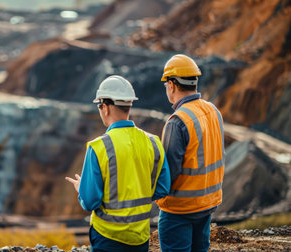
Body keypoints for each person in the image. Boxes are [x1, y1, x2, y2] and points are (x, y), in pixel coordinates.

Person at [65, 75, 171, 252]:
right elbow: (162, 189)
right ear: (129, 104)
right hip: (140, 236)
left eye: (99, 106)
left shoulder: (99, 147)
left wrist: (81, 189)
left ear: (105, 107)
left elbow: (90, 202)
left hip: (108, 237)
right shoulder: (154, 143)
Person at [156, 54, 225, 252]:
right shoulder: (213, 111)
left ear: (172, 84)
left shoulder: (177, 122)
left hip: (179, 209)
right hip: (206, 204)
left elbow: (168, 173)